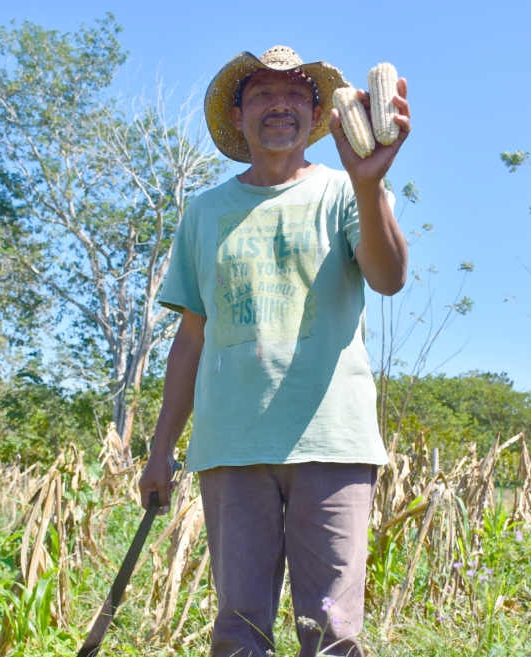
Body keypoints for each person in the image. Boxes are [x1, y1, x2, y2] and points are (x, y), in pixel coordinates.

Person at [138, 45, 410, 657]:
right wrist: (161, 452)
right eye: (262, 93)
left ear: (317, 113)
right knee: (239, 626)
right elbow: (190, 338)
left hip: (330, 439)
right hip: (231, 442)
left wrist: (370, 182)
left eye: (295, 94)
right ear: (239, 115)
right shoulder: (204, 212)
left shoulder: (346, 192)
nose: (279, 105)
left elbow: (388, 277)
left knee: (332, 629)